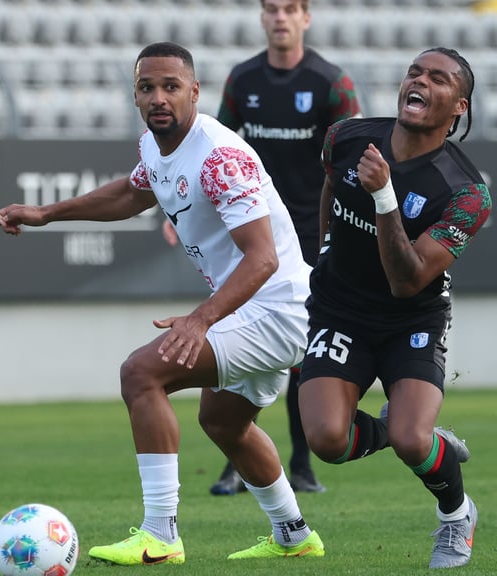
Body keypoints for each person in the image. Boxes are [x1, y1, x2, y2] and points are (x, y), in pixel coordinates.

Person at [0, 42, 325, 564]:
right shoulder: (154, 145)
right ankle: (294, 533)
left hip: (277, 308)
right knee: (223, 423)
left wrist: (200, 320)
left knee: (141, 373)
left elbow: (262, 259)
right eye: (147, 87)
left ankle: (160, 534)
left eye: (171, 86)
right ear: (135, 96)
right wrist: (47, 213)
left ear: (195, 92)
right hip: (254, 309)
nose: (158, 97)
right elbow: (131, 195)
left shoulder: (220, 157)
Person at [296, 47, 492, 569]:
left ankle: (456, 516)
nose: (421, 81)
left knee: (410, 440)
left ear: (460, 108)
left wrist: (384, 197)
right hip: (339, 311)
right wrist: (325, 252)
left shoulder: (467, 194)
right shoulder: (346, 137)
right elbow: (331, 188)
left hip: (410, 319)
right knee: (328, 441)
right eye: (415, 72)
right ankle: (421, 436)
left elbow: (407, 282)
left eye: (439, 78)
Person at [187, 0, 362, 496]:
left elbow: (352, 157)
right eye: (271, 9)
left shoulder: (332, 82)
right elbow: (210, 143)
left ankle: (302, 464)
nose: (280, 17)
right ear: (262, 18)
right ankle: (237, 460)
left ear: (306, 18)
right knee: (241, 338)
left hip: (313, 234)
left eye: (290, 9)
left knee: (304, 352)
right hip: (253, 231)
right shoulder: (244, 80)